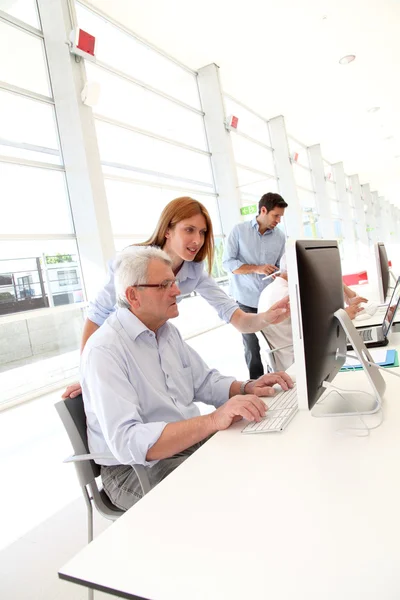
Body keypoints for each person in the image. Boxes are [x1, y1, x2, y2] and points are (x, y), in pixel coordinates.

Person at [81, 245, 294, 510]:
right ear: (133, 296)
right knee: (224, 495)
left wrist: (246, 387)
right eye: (165, 285)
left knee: (259, 455)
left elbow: (203, 382)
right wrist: (214, 419)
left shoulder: (166, 332)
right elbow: (128, 442)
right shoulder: (105, 349)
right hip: (132, 470)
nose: (177, 290)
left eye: (174, 281)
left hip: (182, 446)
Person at [63, 196, 289, 399]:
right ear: (167, 230)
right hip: (115, 346)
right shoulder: (132, 262)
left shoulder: (194, 271)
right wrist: (87, 372)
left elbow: (236, 317)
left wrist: (269, 317)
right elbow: (96, 316)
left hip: (150, 340)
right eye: (189, 230)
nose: (198, 240)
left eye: (202, 232)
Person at [258, 255, 368, 371]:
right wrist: (344, 315)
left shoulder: (270, 290)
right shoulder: (290, 295)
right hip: (300, 363)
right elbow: (323, 329)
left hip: (287, 359)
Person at [223, 192, 288, 380]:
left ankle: (276, 378)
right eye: (276, 215)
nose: (278, 220)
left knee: (274, 342)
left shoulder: (280, 237)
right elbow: (228, 263)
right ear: (263, 210)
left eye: (280, 217)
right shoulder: (239, 231)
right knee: (251, 345)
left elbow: (280, 266)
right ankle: (256, 383)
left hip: (269, 299)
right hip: (245, 298)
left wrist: (278, 275)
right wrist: (257, 268)